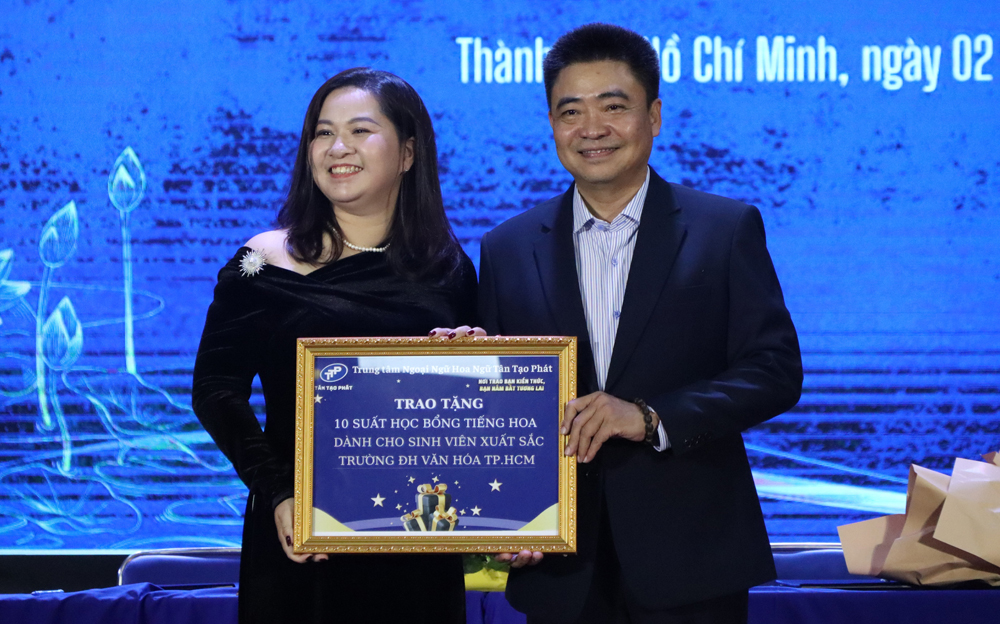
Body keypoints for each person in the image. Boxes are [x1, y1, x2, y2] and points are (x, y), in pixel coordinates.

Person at [477, 24, 803, 623]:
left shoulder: (723, 229)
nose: (591, 128)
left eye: (613, 107)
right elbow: (500, 405)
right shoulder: (507, 247)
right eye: (570, 111)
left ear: (653, 116)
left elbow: (774, 371)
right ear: (552, 125)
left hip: (691, 560)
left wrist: (651, 417)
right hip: (559, 568)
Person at [192, 68, 476, 624]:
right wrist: (279, 492)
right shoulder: (263, 262)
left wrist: (473, 366)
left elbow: (467, 415)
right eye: (323, 133)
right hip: (303, 534)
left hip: (415, 541)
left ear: (408, 153)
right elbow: (215, 390)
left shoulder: (448, 268)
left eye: (360, 131)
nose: (337, 148)